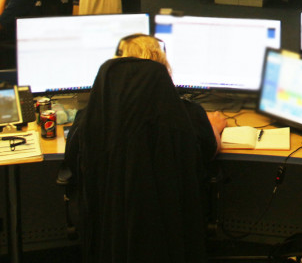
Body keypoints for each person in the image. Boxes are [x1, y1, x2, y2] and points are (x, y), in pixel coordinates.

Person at [64, 34, 225, 262]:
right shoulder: (186, 114)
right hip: (168, 232)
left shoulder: (89, 117)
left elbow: (72, 162)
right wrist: (215, 128)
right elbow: (210, 151)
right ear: (162, 68)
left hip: (109, 234)